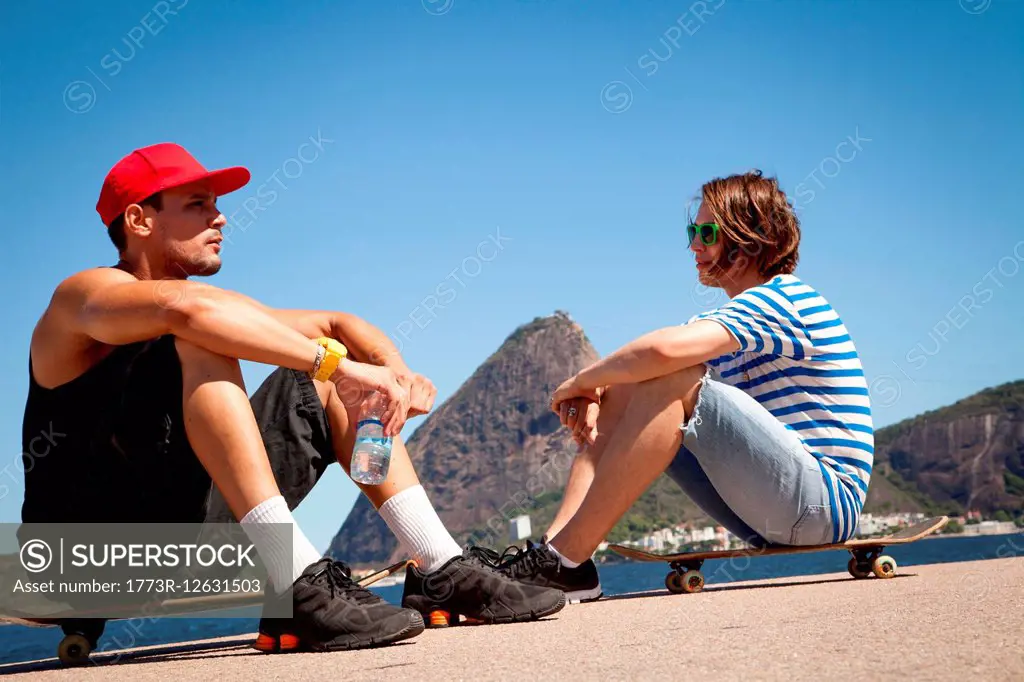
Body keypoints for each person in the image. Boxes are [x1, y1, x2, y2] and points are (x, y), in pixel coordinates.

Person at [19, 142, 564, 652]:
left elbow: (337, 322)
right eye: (197, 204)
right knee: (215, 337)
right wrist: (337, 363)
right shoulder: (82, 296)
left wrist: (393, 375)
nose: (221, 217)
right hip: (77, 561)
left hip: (191, 543)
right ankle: (295, 581)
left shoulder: (200, 303)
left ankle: (440, 568)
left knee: (322, 368)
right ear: (139, 219)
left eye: (217, 204)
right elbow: (188, 312)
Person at [490, 170, 874, 601]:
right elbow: (647, 361)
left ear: (749, 241)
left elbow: (663, 353)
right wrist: (600, 393)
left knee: (670, 373)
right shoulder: (724, 325)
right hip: (764, 512)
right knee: (633, 384)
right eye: (693, 231)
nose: (694, 245)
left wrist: (581, 381)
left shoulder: (786, 298)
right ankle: (559, 558)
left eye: (707, 233)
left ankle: (567, 557)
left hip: (824, 505)